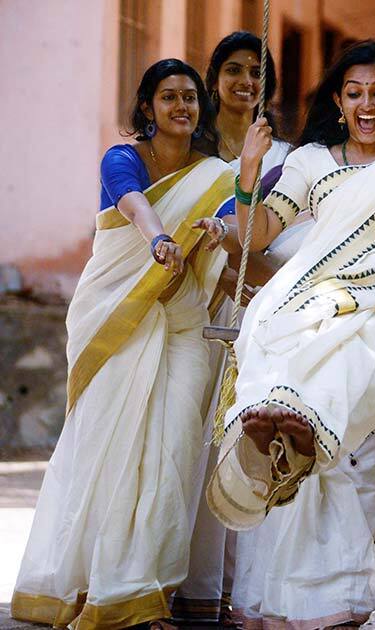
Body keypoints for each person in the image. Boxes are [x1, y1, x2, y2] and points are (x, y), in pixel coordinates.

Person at [204, 40, 375, 628]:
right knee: (272, 325)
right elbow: (255, 237)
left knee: (343, 370)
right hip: (315, 293)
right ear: (337, 100)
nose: (366, 104)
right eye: (354, 93)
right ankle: (285, 432)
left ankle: (295, 424)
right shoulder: (310, 162)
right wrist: (250, 173)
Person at [11, 59, 234, 630]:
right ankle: (90, 583)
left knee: (174, 454)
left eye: (189, 97)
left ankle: (141, 593)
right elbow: (131, 200)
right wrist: (160, 237)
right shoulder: (123, 158)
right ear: (147, 108)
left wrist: (220, 233)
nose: (181, 107)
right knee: (107, 449)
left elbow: (235, 230)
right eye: (168, 97)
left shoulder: (215, 175)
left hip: (182, 323)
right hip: (116, 316)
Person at [173, 31, 293, 626]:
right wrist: (224, 280)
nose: (246, 82)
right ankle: (188, 583)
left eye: (257, 73)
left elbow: (282, 238)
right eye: (235, 70)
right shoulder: (188, 153)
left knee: (244, 441)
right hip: (197, 311)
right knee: (191, 441)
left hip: (259, 314)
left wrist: (256, 288)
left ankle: (235, 586)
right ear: (213, 76)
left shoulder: (287, 157)